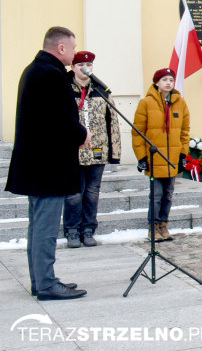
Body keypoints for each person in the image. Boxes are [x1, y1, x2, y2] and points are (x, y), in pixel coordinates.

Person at [6, 26, 88, 300]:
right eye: (73, 47)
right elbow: (60, 119)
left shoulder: (38, 70)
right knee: (45, 228)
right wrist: (82, 134)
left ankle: (42, 279)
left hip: (39, 165)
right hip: (47, 167)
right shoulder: (49, 74)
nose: (76, 52)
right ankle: (46, 284)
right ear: (61, 48)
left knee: (39, 225)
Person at [63, 51, 122, 248]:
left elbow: (112, 121)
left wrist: (115, 153)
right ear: (73, 67)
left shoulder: (100, 89)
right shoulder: (64, 87)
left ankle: (88, 229)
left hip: (97, 149)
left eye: (88, 64)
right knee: (73, 193)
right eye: (80, 64)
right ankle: (72, 231)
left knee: (92, 192)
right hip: (73, 149)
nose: (85, 68)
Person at [131, 67, 190, 243]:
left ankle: (164, 224)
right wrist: (142, 157)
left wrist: (182, 154)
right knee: (156, 195)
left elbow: (184, 131)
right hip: (155, 158)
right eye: (164, 80)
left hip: (171, 158)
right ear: (157, 83)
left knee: (168, 195)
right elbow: (138, 132)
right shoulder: (146, 103)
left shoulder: (180, 103)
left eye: (171, 80)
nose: (168, 83)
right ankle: (153, 227)